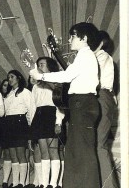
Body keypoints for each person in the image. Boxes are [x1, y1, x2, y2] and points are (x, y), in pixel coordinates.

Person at [30, 22, 101, 188]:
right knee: (77, 150)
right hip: (82, 104)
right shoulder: (84, 56)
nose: (69, 40)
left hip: (82, 104)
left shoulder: (85, 55)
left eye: (73, 36)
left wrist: (41, 76)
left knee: (81, 151)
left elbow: (67, 76)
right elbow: (71, 75)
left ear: (84, 38)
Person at [30, 57, 65, 188]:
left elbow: (60, 105)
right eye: (38, 65)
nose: (39, 67)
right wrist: (32, 124)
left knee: (53, 151)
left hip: (51, 116)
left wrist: (59, 122)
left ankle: (54, 184)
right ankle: (44, 183)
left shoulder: (55, 83)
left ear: (50, 66)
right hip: (39, 117)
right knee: (43, 152)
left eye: (42, 65)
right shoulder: (36, 86)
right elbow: (33, 106)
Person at [93, 30, 120, 188]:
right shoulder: (95, 58)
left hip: (101, 97)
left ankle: (109, 186)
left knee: (99, 145)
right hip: (100, 99)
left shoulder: (102, 57)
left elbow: (95, 80)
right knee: (96, 145)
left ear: (100, 42)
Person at [1, 70, 36, 188]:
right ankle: (15, 183)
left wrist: (31, 127)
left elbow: (31, 110)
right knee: (13, 155)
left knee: (21, 154)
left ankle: (22, 183)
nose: (10, 79)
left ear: (19, 78)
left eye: (12, 77)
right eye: (8, 77)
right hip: (9, 124)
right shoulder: (9, 94)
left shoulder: (25, 92)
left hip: (20, 123)